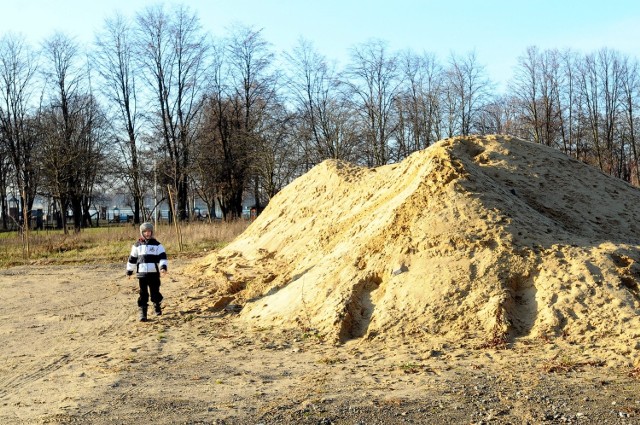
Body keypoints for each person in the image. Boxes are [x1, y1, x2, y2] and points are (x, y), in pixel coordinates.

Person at [126, 222, 168, 322]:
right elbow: (132, 259)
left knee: (155, 292)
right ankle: (143, 313)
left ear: (152, 232)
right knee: (143, 293)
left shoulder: (157, 245)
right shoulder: (137, 245)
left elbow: (163, 257)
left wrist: (163, 267)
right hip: (142, 274)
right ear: (142, 232)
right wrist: (129, 271)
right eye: (145, 232)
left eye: (149, 231)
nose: (147, 233)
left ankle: (157, 304)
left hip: (153, 273)